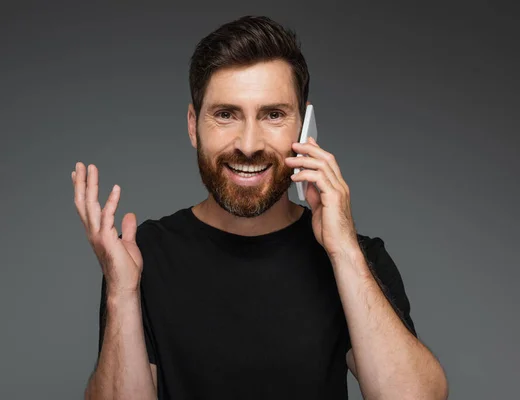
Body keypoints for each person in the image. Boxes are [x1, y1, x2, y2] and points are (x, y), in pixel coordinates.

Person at [73, 15, 448, 400]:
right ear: (192, 125)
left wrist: (345, 253)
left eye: (273, 115)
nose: (249, 144)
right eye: (225, 115)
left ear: (303, 127)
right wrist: (121, 292)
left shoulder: (354, 257)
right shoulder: (142, 257)